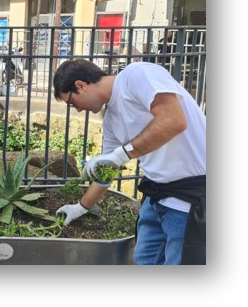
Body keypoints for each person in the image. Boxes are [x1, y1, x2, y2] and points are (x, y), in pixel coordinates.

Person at [53, 59, 205, 265]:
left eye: (72, 102)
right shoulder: (111, 119)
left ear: (81, 85)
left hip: (188, 201)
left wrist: (121, 154)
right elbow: (104, 175)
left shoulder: (137, 74)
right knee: (144, 263)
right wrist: (80, 208)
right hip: (155, 198)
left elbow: (174, 120)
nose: (77, 110)